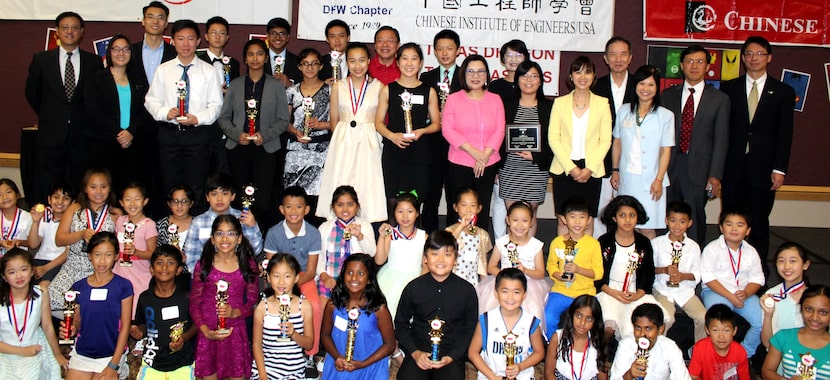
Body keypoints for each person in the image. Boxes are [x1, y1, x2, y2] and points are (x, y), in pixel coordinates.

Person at [720, 36, 795, 276]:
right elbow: (722, 131)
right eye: (749, 54)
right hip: (732, 168)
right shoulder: (729, 88)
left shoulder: (783, 91)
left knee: (759, 222)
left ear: (769, 58)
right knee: (731, 221)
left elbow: (785, 134)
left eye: (759, 54)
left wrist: (780, 169)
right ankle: (728, 271)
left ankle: (758, 274)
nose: (754, 58)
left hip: (763, 170)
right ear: (743, 58)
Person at [144, 19, 224, 213]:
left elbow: (216, 105)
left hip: (197, 135)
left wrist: (198, 118)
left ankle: (195, 229)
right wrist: (165, 113)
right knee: (169, 184)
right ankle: (170, 231)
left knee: (196, 185)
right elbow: (150, 101)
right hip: (169, 134)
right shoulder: (164, 70)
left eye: (190, 39)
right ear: (172, 41)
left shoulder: (209, 71)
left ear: (198, 41)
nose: (185, 44)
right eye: (180, 39)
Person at [25, 11, 103, 204]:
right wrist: (50, 115)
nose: (70, 31)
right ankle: (47, 226)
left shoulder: (93, 62)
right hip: (51, 133)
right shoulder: (42, 60)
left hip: (82, 135)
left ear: (82, 32)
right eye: (65, 27)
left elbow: (96, 98)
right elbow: (32, 93)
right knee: (48, 182)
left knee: (79, 181)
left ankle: (76, 223)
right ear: (57, 32)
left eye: (74, 27)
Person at [661, 44, 730, 245]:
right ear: (681, 65)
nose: (694, 66)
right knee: (668, 216)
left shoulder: (719, 99)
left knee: (696, 217)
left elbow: (721, 140)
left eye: (700, 61)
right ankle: (667, 264)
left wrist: (715, 175)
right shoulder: (668, 96)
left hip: (700, 170)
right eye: (690, 61)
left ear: (707, 66)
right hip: (670, 166)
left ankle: (694, 267)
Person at [218, 38, 290, 230]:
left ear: (266, 58)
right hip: (238, 148)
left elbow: (284, 120)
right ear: (245, 59)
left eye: (259, 53)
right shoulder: (235, 85)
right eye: (250, 54)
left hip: (265, 149)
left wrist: (265, 135)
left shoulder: (276, 86)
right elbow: (223, 118)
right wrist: (236, 134)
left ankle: (261, 240)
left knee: (264, 200)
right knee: (241, 197)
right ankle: (240, 238)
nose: (255, 58)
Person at [315, 43, 387, 223]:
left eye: (362, 60)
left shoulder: (379, 86)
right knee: (341, 177)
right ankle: (336, 224)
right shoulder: (339, 86)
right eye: (352, 61)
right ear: (346, 63)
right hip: (343, 138)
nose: (357, 65)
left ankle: (367, 227)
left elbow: (380, 119)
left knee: (367, 181)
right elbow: (334, 120)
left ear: (369, 62)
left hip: (369, 139)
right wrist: (341, 138)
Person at [395, 230, 478, 380]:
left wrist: (453, 356)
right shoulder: (413, 288)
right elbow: (401, 324)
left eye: (447, 254)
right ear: (425, 258)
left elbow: (469, 328)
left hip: (450, 352)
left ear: (455, 259)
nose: (441, 259)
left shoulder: (467, 291)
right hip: (419, 350)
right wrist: (415, 352)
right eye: (434, 254)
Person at [549, 56, 613, 238]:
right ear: (570, 76)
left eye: (587, 72)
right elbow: (554, 138)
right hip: (564, 169)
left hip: (591, 171)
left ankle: (584, 263)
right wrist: (572, 169)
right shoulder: (560, 103)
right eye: (578, 71)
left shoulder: (602, 103)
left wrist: (589, 169)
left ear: (594, 76)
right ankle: (562, 263)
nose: (582, 76)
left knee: (587, 220)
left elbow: (605, 140)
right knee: (563, 219)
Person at [189, 215, 259, 380]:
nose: (225, 238)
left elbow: (252, 300)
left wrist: (236, 312)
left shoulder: (247, 265)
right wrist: (205, 331)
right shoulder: (203, 265)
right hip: (208, 332)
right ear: (212, 239)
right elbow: (194, 304)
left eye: (231, 233)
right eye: (219, 234)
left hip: (235, 332)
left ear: (239, 238)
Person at [442, 54, 505, 233]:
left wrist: (484, 156)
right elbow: (448, 130)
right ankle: (454, 250)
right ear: (464, 74)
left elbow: (499, 130)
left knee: (481, 208)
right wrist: (475, 153)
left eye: (480, 71)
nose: (475, 76)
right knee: (457, 208)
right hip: (459, 163)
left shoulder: (495, 99)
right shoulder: (454, 99)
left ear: (487, 75)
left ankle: (479, 252)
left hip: (488, 163)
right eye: (471, 71)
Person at [610, 65, 674, 239]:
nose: (646, 89)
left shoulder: (665, 115)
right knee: (627, 226)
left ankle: (647, 264)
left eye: (651, 85)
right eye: (642, 84)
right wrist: (615, 171)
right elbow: (617, 143)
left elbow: (665, 151)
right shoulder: (624, 110)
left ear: (657, 88)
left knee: (646, 227)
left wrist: (659, 179)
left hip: (651, 181)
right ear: (635, 86)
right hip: (627, 178)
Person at [126, 1, 177, 216]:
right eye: (150, 16)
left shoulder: (176, 53)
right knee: (136, 177)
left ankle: (162, 222)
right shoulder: (129, 52)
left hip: (167, 125)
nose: (155, 21)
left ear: (166, 23)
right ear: (142, 21)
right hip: (134, 127)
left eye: (160, 17)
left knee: (164, 177)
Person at [595, 196, 669, 341]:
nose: (627, 220)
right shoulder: (604, 241)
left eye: (632, 216)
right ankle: (603, 358)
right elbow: (597, 275)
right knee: (609, 325)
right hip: (609, 291)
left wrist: (637, 294)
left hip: (636, 291)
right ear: (614, 218)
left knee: (656, 320)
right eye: (622, 215)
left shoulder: (644, 243)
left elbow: (648, 274)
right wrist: (612, 292)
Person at [375, 43, 441, 207]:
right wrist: (392, 136)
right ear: (397, 62)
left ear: (420, 63)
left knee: (414, 203)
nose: (409, 63)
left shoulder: (429, 91)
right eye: (404, 58)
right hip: (394, 152)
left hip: (419, 152)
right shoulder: (388, 89)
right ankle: (393, 233)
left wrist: (422, 131)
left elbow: (436, 124)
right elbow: (378, 122)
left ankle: (413, 233)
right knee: (392, 202)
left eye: (414, 59)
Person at [84, 34, 149, 195]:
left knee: (130, 188)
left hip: (133, 143)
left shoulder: (138, 79)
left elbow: (146, 109)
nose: (121, 53)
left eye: (126, 49)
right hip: (105, 143)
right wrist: (119, 133)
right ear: (109, 52)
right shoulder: (97, 79)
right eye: (116, 49)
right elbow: (93, 111)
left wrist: (131, 132)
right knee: (107, 188)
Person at [262, 186, 322, 358]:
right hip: (278, 278)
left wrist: (293, 283)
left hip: (303, 277)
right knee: (269, 305)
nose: (293, 211)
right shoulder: (274, 233)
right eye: (288, 206)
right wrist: (283, 283)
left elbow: (311, 271)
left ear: (307, 209)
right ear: (281, 209)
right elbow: (270, 267)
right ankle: (272, 349)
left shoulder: (313, 233)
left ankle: (310, 354)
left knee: (314, 306)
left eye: (298, 206)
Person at [63, 232, 133, 380]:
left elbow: (125, 326)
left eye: (108, 255)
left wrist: (113, 364)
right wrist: (72, 328)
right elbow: (77, 321)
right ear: (89, 256)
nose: (102, 261)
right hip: (83, 353)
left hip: (111, 354)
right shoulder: (79, 287)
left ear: (116, 256)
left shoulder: (123, 286)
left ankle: (121, 365)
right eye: (97, 254)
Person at [497, 61, 554, 237]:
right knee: (513, 214)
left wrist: (536, 156)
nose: (529, 80)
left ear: (541, 81)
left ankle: (529, 259)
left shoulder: (550, 107)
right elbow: (497, 135)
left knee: (530, 214)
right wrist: (496, 167)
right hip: (510, 168)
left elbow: (556, 140)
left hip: (535, 169)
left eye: (534, 76)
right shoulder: (505, 105)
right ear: (517, 79)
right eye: (524, 75)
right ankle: (511, 260)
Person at [48, 169, 117, 312]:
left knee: (93, 304)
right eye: (93, 187)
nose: (98, 191)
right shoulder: (75, 208)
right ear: (85, 188)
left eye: (103, 187)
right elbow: (59, 240)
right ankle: (72, 328)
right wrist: (81, 234)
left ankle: (84, 327)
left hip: (99, 269)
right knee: (50, 298)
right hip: (72, 266)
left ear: (109, 188)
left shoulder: (115, 214)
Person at [700, 209, 765, 358]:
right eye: (729, 224)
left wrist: (747, 293)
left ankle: (743, 353)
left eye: (740, 225)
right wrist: (730, 296)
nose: (734, 229)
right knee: (719, 321)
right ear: (721, 227)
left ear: (748, 230)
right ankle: (712, 354)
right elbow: (708, 278)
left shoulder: (751, 251)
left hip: (743, 293)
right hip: (716, 291)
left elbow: (758, 278)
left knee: (762, 320)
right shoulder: (712, 249)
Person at [320, 253, 396, 379]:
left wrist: (363, 364)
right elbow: (325, 335)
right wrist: (336, 357)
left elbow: (390, 345)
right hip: (340, 364)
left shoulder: (378, 309)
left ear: (369, 279)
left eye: (361, 274)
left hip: (369, 366)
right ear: (343, 275)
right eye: (349, 272)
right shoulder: (333, 304)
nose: (354, 278)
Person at [592, 36, 636, 237]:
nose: (618, 59)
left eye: (623, 54)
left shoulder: (641, 86)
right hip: (601, 160)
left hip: (632, 161)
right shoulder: (595, 87)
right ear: (605, 58)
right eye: (613, 54)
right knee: (601, 210)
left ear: (630, 58)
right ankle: (601, 249)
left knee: (628, 210)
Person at [478, 203, 548, 329]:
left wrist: (525, 270)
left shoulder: (536, 245)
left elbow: (541, 273)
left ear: (531, 222)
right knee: (490, 304)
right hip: (504, 281)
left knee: (532, 308)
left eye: (525, 221)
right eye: (515, 220)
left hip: (529, 283)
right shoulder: (502, 242)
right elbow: (491, 267)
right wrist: (503, 275)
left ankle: (529, 337)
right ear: (507, 220)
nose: (520, 225)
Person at [0, 249, 66, 379]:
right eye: (12, 272)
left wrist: (57, 354)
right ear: (4, 277)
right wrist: (22, 351)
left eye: (24, 269)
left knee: (34, 375)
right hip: (5, 351)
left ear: (32, 271)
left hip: (35, 348)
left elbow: (47, 326)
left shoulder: (41, 292)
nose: (19, 276)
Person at [133, 245, 198, 379]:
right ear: (151, 269)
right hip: (152, 361)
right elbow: (143, 325)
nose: (164, 267)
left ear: (179, 270)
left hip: (182, 362)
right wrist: (138, 330)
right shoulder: (145, 298)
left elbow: (197, 324)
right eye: (159, 263)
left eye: (170, 263)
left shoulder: (186, 298)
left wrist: (184, 338)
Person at [469, 268, 545, 380]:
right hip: (491, 376)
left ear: (524, 295)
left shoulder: (531, 322)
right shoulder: (486, 320)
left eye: (516, 292)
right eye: (505, 291)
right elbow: (473, 353)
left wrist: (520, 367)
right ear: (496, 293)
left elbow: (539, 353)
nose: (510, 297)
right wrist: (492, 376)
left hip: (522, 376)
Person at [420, 29, 461, 233]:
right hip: (432, 144)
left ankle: (454, 237)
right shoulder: (426, 78)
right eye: (440, 49)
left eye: (449, 48)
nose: (445, 53)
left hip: (459, 146)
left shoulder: (466, 77)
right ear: (434, 51)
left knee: (455, 196)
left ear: (458, 50)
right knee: (431, 195)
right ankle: (428, 238)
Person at [284, 48, 332, 221]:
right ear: (299, 66)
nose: (310, 67)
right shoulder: (291, 91)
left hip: (321, 150)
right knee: (294, 198)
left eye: (314, 63)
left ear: (320, 66)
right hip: (296, 149)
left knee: (316, 198)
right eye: (305, 63)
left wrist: (321, 124)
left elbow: (337, 121)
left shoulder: (331, 91)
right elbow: (285, 122)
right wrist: (294, 131)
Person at [545, 197, 604, 336]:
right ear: (564, 219)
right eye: (572, 217)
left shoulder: (593, 244)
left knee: (587, 321)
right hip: (560, 291)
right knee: (548, 317)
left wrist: (579, 270)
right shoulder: (557, 242)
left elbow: (598, 273)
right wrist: (557, 275)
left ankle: (583, 349)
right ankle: (554, 345)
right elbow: (551, 265)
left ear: (589, 220)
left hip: (585, 293)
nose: (577, 222)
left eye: (582, 217)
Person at [183, 173, 263, 274]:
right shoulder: (198, 222)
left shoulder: (243, 218)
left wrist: (252, 227)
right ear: (207, 197)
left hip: (237, 276)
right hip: (205, 278)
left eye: (225, 193)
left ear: (233, 196)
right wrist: (204, 276)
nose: (219, 199)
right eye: (214, 194)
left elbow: (254, 250)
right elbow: (191, 255)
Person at [251, 253, 314, 380]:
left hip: (294, 372)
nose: (281, 281)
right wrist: (263, 376)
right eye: (276, 276)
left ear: (296, 278)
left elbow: (309, 344)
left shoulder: (305, 306)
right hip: (266, 370)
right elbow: (256, 344)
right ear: (268, 277)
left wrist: (293, 334)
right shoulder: (262, 307)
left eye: (287, 276)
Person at [650, 201, 706, 342]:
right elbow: (649, 269)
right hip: (662, 289)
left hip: (684, 290)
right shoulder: (656, 243)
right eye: (673, 221)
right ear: (666, 221)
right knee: (667, 318)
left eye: (682, 222)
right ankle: (656, 350)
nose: (677, 226)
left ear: (690, 223)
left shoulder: (693, 247)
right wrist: (664, 270)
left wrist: (682, 276)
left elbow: (698, 274)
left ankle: (698, 352)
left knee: (703, 317)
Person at [316, 186, 376, 306]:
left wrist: (359, 236)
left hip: (355, 281)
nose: (345, 209)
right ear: (333, 207)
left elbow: (372, 252)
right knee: (324, 310)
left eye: (350, 204)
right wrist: (324, 276)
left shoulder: (364, 225)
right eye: (340, 205)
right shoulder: (324, 227)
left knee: (353, 311)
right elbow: (318, 256)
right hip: (329, 278)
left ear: (357, 206)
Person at [197, 16, 241, 178]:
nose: (217, 36)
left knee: (224, 173)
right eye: (213, 33)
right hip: (202, 126)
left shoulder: (233, 64)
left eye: (222, 33)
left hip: (225, 127)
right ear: (206, 36)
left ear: (227, 38)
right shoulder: (197, 61)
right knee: (202, 173)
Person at [112, 182, 157, 331]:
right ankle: (119, 335)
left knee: (137, 305)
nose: (132, 203)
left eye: (137, 199)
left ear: (145, 201)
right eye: (128, 199)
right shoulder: (120, 221)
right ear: (121, 203)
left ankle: (140, 335)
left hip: (140, 271)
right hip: (120, 270)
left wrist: (136, 252)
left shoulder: (149, 224)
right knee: (118, 302)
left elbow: (152, 253)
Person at [375, 193, 427, 320]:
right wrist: (382, 237)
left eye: (410, 211)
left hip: (415, 279)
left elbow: (426, 265)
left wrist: (420, 286)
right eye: (400, 211)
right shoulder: (389, 234)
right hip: (390, 279)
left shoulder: (423, 236)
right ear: (394, 213)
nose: (405, 216)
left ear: (417, 213)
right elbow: (379, 260)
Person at [761, 284, 830, 379]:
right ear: (801, 309)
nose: (814, 317)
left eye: (823, 312)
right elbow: (766, 371)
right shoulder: (783, 337)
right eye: (809, 309)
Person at [609, 303, 691, 380]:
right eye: (638, 328)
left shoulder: (670, 347)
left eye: (648, 328)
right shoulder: (626, 345)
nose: (642, 334)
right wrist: (629, 375)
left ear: (661, 329)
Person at [544, 294, 608, 380]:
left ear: (595, 321)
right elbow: (549, 373)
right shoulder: (557, 338)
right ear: (571, 315)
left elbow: (603, 376)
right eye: (578, 316)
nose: (582, 323)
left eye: (589, 319)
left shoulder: (598, 342)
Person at [760, 242, 811, 349]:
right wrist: (768, 315)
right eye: (781, 261)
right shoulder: (771, 295)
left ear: (805, 265)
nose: (786, 266)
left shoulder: (814, 296)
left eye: (793, 261)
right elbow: (767, 343)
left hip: (808, 358)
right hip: (779, 357)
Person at [688, 304, 751, 380]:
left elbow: (744, 377)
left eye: (726, 330)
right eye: (715, 330)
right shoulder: (700, 349)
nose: (721, 336)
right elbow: (693, 377)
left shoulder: (740, 352)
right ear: (707, 330)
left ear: (734, 331)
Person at [28, 181, 74, 285]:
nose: (60, 202)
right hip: (39, 259)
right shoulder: (44, 215)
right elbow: (33, 244)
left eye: (66, 198)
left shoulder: (74, 221)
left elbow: (68, 253)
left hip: (59, 263)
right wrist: (35, 222)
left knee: (43, 287)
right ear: (49, 199)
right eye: (56, 197)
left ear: (72, 203)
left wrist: (45, 268)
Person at [445, 187, 492, 287]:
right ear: (455, 207)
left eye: (472, 205)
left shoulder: (482, 234)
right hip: (452, 278)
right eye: (463, 205)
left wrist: (484, 285)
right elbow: (446, 244)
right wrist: (461, 226)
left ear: (479, 208)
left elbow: (482, 262)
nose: (468, 209)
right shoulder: (450, 230)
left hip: (472, 280)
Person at [264, 17, 302, 87]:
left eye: (282, 34)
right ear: (267, 36)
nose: (278, 37)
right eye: (273, 33)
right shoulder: (259, 59)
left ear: (288, 37)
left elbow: (304, 87)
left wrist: (291, 85)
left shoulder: (297, 61)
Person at [155, 184, 194, 251]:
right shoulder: (160, 225)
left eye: (184, 201)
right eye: (175, 201)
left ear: (191, 203)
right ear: (169, 203)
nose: (179, 205)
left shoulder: (198, 223)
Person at [0, 179, 33, 255]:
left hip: (19, 259)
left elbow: (33, 243)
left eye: (8, 192)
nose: (5, 197)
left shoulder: (29, 218)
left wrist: (19, 242)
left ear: (17, 195)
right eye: (0, 194)